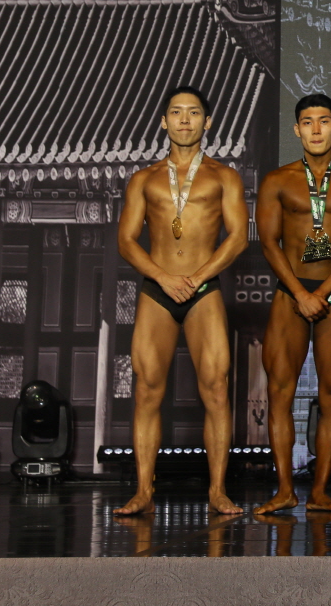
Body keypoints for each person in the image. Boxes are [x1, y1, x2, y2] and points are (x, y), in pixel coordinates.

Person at [114, 86, 248, 515]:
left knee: (216, 389)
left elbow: (238, 237)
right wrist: (163, 278)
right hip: (158, 290)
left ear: (208, 122)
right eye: (176, 112)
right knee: (147, 390)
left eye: (193, 113)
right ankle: (143, 491)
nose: (185, 120)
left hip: (202, 289)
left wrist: (196, 278)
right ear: (163, 121)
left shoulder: (224, 176)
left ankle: (217, 490)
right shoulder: (144, 179)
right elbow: (126, 240)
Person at [254, 93, 331, 515]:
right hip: (290, 293)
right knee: (279, 391)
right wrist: (301, 293)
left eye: (324, 121)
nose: (317, 129)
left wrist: (320, 294)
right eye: (308, 122)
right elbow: (269, 243)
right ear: (297, 129)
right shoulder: (277, 180)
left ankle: (320, 491)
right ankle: (285, 490)